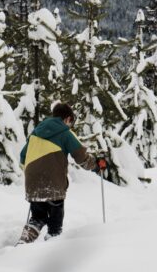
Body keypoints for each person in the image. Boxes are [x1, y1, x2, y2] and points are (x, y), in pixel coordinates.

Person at [17, 102, 107, 243]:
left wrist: (33, 173)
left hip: (32, 182)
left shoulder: (35, 133)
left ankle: (24, 242)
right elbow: (81, 157)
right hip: (54, 184)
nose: (70, 125)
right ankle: (53, 243)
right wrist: (96, 166)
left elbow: (23, 157)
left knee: (37, 218)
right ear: (67, 119)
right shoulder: (65, 133)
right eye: (71, 122)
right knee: (55, 223)